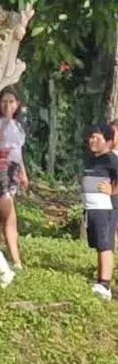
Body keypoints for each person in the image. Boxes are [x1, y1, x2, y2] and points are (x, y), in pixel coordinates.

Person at [0, 86, 28, 270]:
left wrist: (23, 174)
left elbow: (18, 152)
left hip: (13, 170)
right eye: (4, 101)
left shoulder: (18, 126)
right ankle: (16, 260)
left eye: (11, 102)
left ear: (18, 104)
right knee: (9, 215)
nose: (7, 105)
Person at [82, 125, 118, 299]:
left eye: (97, 138)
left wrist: (113, 189)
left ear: (109, 142)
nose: (92, 140)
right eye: (91, 137)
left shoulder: (111, 159)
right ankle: (100, 280)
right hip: (92, 208)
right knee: (98, 244)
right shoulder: (92, 158)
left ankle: (105, 284)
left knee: (105, 245)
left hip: (105, 209)